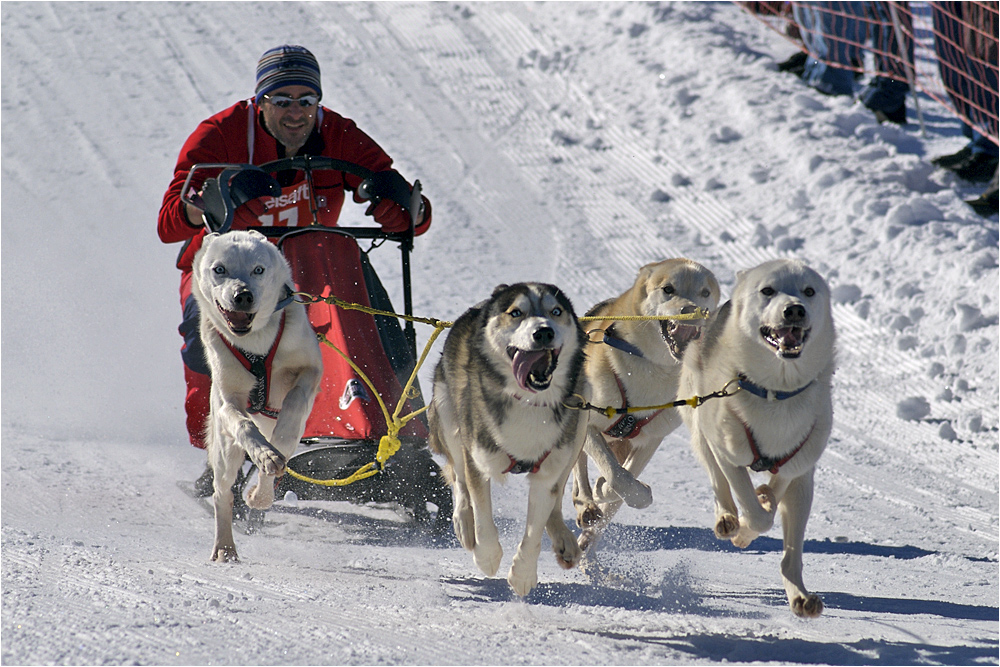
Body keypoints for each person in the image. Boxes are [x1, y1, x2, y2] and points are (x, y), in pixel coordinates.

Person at [158, 45, 432, 490]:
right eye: (281, 100)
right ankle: (222, 450)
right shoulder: (221, 136)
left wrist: (400, 203)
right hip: (228, 276)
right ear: (260, 101)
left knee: (369, 321)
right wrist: (214, 200)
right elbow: (169, 223)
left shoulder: (338, 134)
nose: (295, 113)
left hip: (309, 265)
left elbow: (412, 215)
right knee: (206, 342)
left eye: (306, 101)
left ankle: (384, 428)